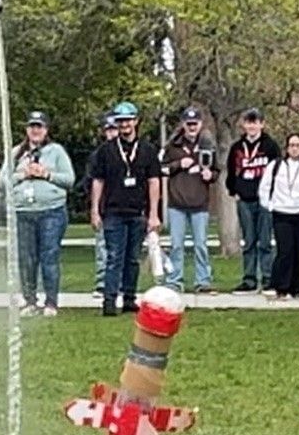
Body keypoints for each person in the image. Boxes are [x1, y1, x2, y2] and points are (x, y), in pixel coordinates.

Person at [89, 101, 161, 316]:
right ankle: (109, 300)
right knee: (114, 257)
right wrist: (95, 210)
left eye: (128, 120)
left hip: (137, 212)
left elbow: (154, 181)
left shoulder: (148, 150)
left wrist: (154, 214)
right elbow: (98, 181)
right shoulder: (106, 151)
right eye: (120, 121)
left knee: (133, 259)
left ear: (136, 121)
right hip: (113, 212)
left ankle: (129, 298)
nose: (124, 125)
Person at [2, 111, 75, 316]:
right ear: (27, 129)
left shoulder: (56, 151)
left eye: (39, 127)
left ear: (46, 130)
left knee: (49, 256)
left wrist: (46, 174)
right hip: (23, 212)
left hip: (51, 211)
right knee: (27, 259)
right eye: (32, 126)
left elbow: (69, 180)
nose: (35, 130)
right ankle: (30, 301)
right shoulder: (16, 153)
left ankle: (51, 302)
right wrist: (23, 174)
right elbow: (2, 181)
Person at [160, 107, 219, 293]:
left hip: (199, 203)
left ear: (200, 124)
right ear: (183, 124)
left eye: (195, 124)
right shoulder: (173, 146)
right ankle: (174, 280)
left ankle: (203, 280)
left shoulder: (208, 145)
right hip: (177, 203)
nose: (192, 127)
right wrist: (178, 164)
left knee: (200, 245)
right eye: (189, 124)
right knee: (176, 245)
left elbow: (217, 170)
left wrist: (211, 175)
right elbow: (161, 168)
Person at [259, 132, 299, 299]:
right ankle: (281, 286)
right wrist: (269, 205)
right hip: (282, 213)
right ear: (286, 148)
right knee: (285, 250)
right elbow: (265, 187)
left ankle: (297, 287)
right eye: (291, 145)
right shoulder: (275, 166)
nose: (294, 149)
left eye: (298, 145)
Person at [225, 108, 279, 293]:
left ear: (262, 124)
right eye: (248, 122)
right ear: (244, 124)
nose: (252, 126)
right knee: (248, 241)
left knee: (265, 241)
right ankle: (249, 279)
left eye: (255, 122)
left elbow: (277, 171)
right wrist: (234, 191)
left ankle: (268, 277)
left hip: (265, 200)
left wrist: (273, 195)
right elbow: (231, 170)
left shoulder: (270, 146)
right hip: (244, 199)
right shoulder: (237, 147)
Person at [85, 112, 118, 299]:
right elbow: (90, 182)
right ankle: (102, 283)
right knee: (102, 247)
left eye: (115, 129)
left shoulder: (129, 152)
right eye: (109, 129)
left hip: (122, 208)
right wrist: (94, 209)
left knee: (120, 249)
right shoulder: (98, 155)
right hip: (104, 207)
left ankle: (119, 284)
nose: (112, 133)